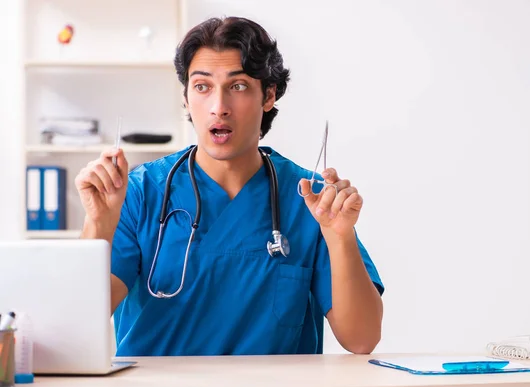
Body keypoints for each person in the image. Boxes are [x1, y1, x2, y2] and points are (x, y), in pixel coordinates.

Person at [75, 16, 384, 357]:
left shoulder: (311, 201)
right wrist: (98, 226)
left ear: (268, 95)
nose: (218, 107)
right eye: (202, 86)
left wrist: (339, 235)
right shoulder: (140, 193)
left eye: (237, 87)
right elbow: (79, 325)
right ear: (186, 96)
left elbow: (362, 338)